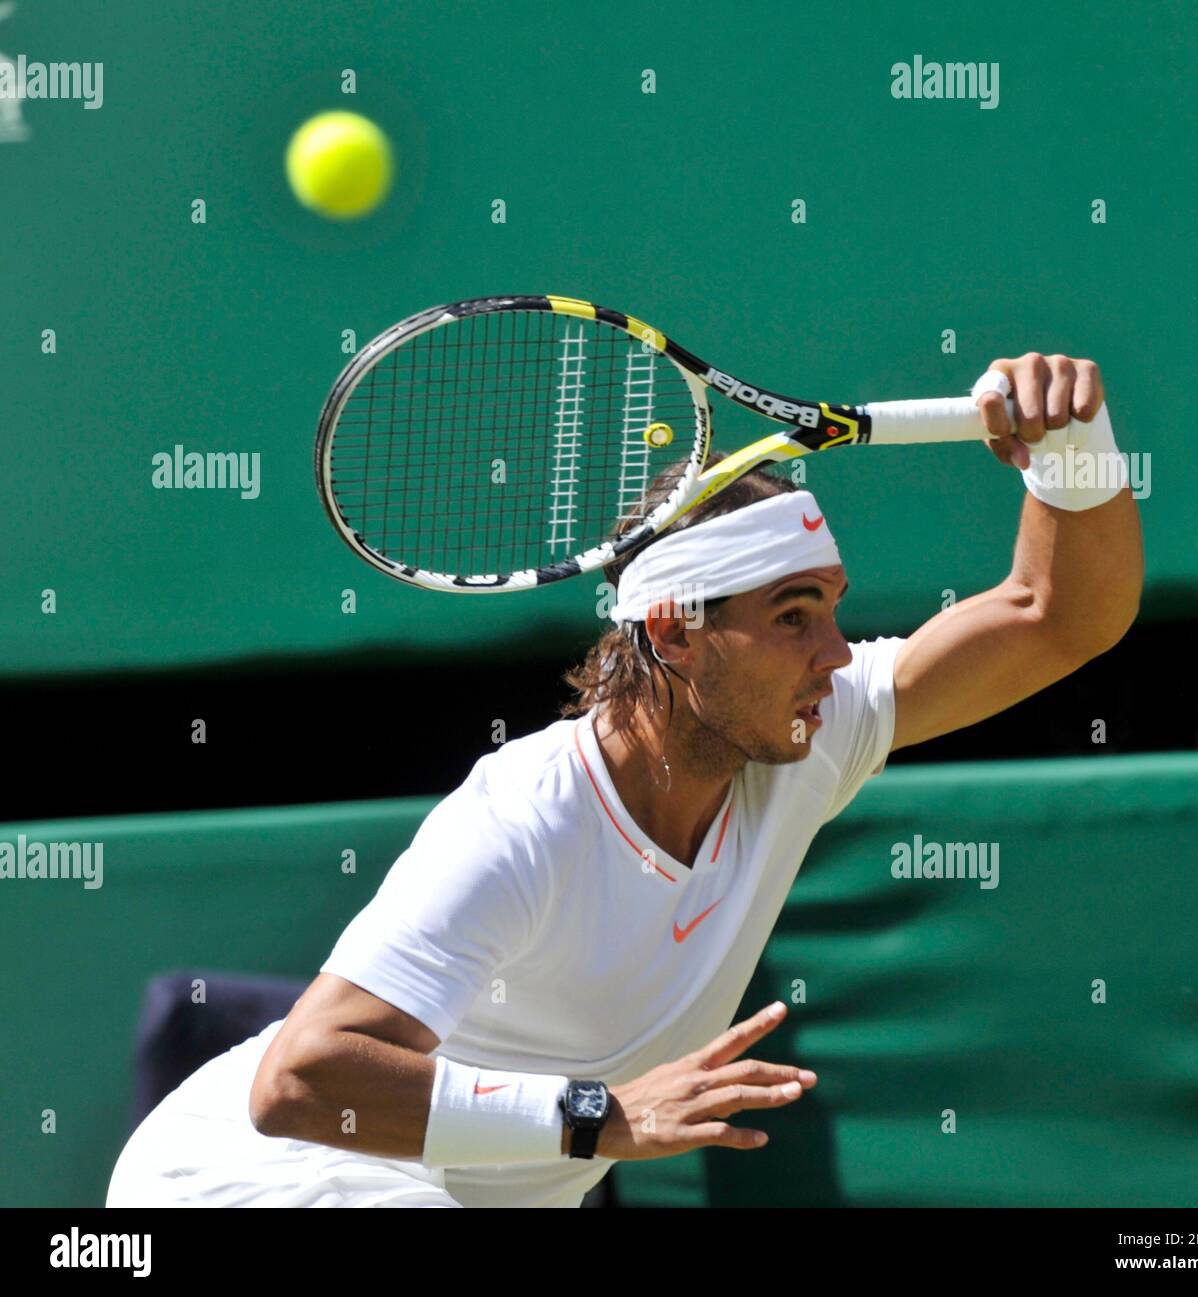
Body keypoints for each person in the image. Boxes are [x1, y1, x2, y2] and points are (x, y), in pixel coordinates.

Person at [107, 354, 1142, 1208]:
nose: (833, 651)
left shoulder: (811, 731)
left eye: (829, 607)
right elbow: (300, 1081)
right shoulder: (523, 820)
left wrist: (1070, 448)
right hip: (243, 1180)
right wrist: (599, 1115)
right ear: (672, 633)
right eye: (791, 615)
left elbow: (1055, 615)